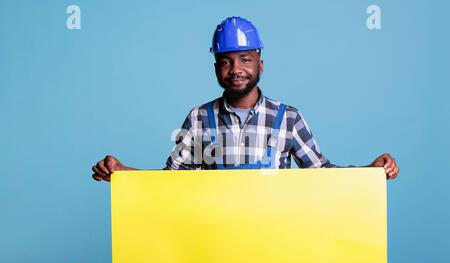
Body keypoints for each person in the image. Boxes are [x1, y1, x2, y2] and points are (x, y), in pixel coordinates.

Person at [92, 16, 399, 182]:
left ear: (260, 64)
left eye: (245, 60)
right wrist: (123, 173)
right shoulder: (199, 118)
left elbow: (321, 174)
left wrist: (369, 172)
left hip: (275, 238)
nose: (236, 69)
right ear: (216, 68)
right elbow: (170, 184)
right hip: (215, 240)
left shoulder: (288, 118)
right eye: (226, 61)